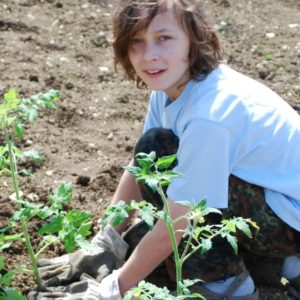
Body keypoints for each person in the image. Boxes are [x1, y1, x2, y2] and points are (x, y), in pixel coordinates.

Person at [28, 0, 300, 299]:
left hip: (290, 222)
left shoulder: (210, 114)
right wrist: (107, 239)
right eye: (136, 41)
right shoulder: (173, 85)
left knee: (173, 199)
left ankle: (228, 284)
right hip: (272, 199)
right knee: (156, 148)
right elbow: (142, 163)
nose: (148, 56)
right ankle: (274, 262)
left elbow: (180, 217)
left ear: (194, 40)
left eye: (164, 38)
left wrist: (112, 290)